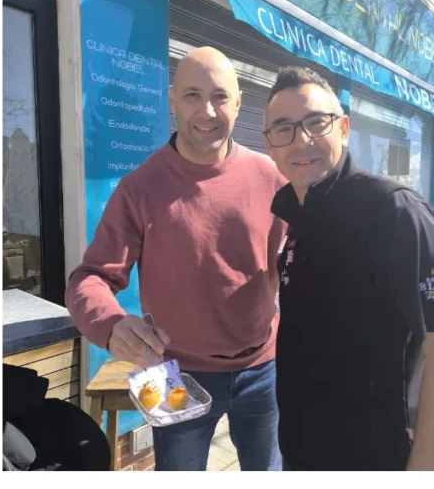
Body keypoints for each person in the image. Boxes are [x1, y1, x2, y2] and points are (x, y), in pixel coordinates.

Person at [65, 47, 287, 471]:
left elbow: (304, 261)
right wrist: (110, 326)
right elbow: (88, 279)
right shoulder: (139, 188)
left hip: (264, 368)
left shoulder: (272, 179)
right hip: (172, 373)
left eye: (220, 96)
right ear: (171, 100)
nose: (207, 110)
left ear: (239, 104)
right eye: (192, 95)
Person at [263, 66, 434, 470]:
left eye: (315, 122)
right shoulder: (297, 220)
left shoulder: (395, 212)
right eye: (283, 129)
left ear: (343, 128)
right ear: (269, 146)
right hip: (301, 456)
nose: (301, 139)